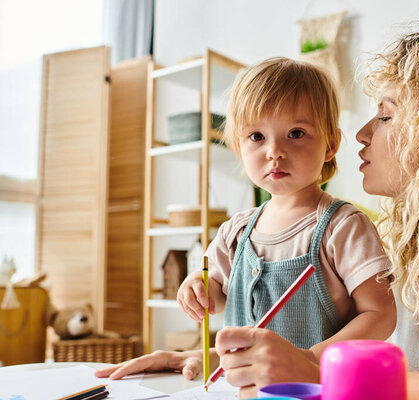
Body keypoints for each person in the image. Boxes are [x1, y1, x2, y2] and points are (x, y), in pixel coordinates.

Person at [97, 30, 419, 399]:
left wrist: (322, 372)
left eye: (385, 115)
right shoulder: (402, 236)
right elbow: (396, 365)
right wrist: (226, 361)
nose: (360, 135)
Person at [95, 57, 395, 380]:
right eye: (256, 137)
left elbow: (380, 314)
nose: (274, 151)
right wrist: (197, 287)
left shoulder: (343, 226)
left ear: (331, 144)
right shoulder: (234, 233)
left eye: (296, 133)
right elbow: (216, 296)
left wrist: (310, 359)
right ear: (238, 146)